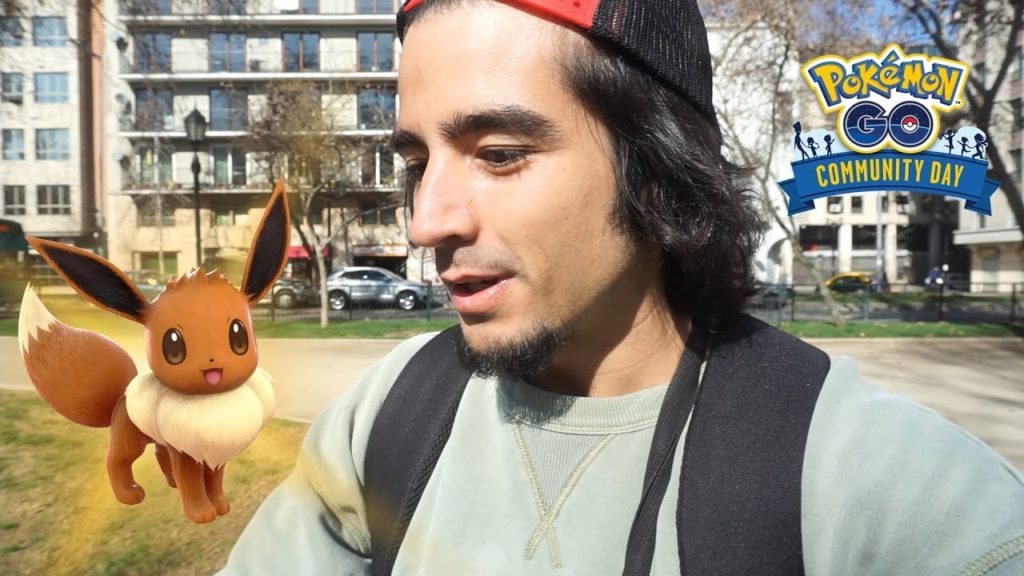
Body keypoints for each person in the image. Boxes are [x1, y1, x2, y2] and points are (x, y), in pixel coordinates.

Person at [222, 0, 1024, 574]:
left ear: (657, 165)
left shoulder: (875, 480)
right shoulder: (384, 418)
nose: (428, 220)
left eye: (499, 153)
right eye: (416, 161)